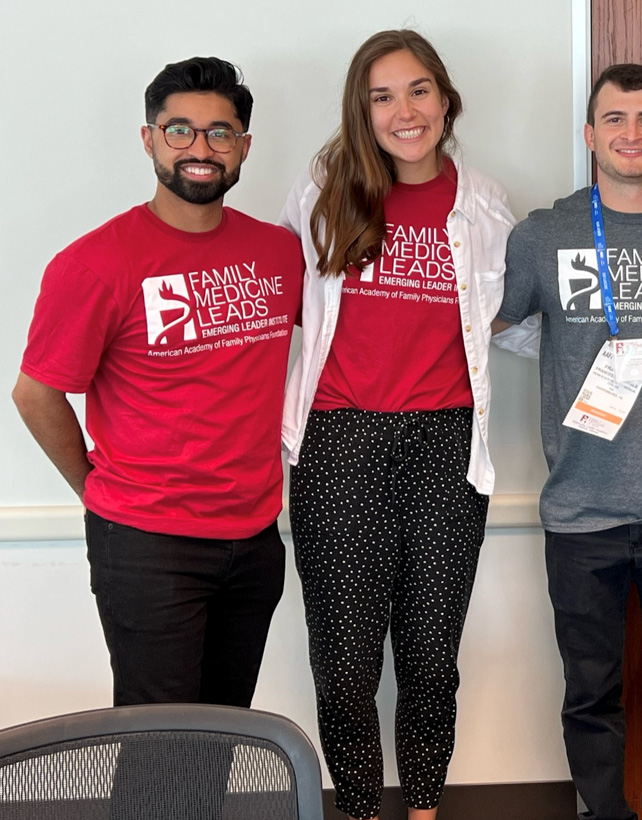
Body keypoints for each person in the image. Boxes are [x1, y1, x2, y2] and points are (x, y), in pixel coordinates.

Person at [279, 29, 526, 820]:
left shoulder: (484, 201)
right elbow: (282, 309)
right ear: (362, 110)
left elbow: (515, 324)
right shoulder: (323, 187)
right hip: (340, 441)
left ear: (446, 99)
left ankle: (422, 807)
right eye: (382, 96)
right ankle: (356, 807)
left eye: (419, 90)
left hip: (446, 445)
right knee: (346, 662)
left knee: (430, 656)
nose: (404, 110)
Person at [13, 56, 302, 708]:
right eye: (180, 130)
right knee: (160, 749)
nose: (200, 149)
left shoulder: (279, 255)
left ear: (243, 147)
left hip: (254, 540)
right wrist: (98, 489)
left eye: (220, 133)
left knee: (226, 730)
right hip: (148, 546)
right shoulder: (94, 263)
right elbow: (35, 393)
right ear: (149, 139)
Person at [493, 64, 642, 820]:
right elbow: (481, 328)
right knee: (589, 693)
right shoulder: (542, 234)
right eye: (615, 119)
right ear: (590, 133)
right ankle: (603, 812)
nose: (632, 134)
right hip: (579, 506)